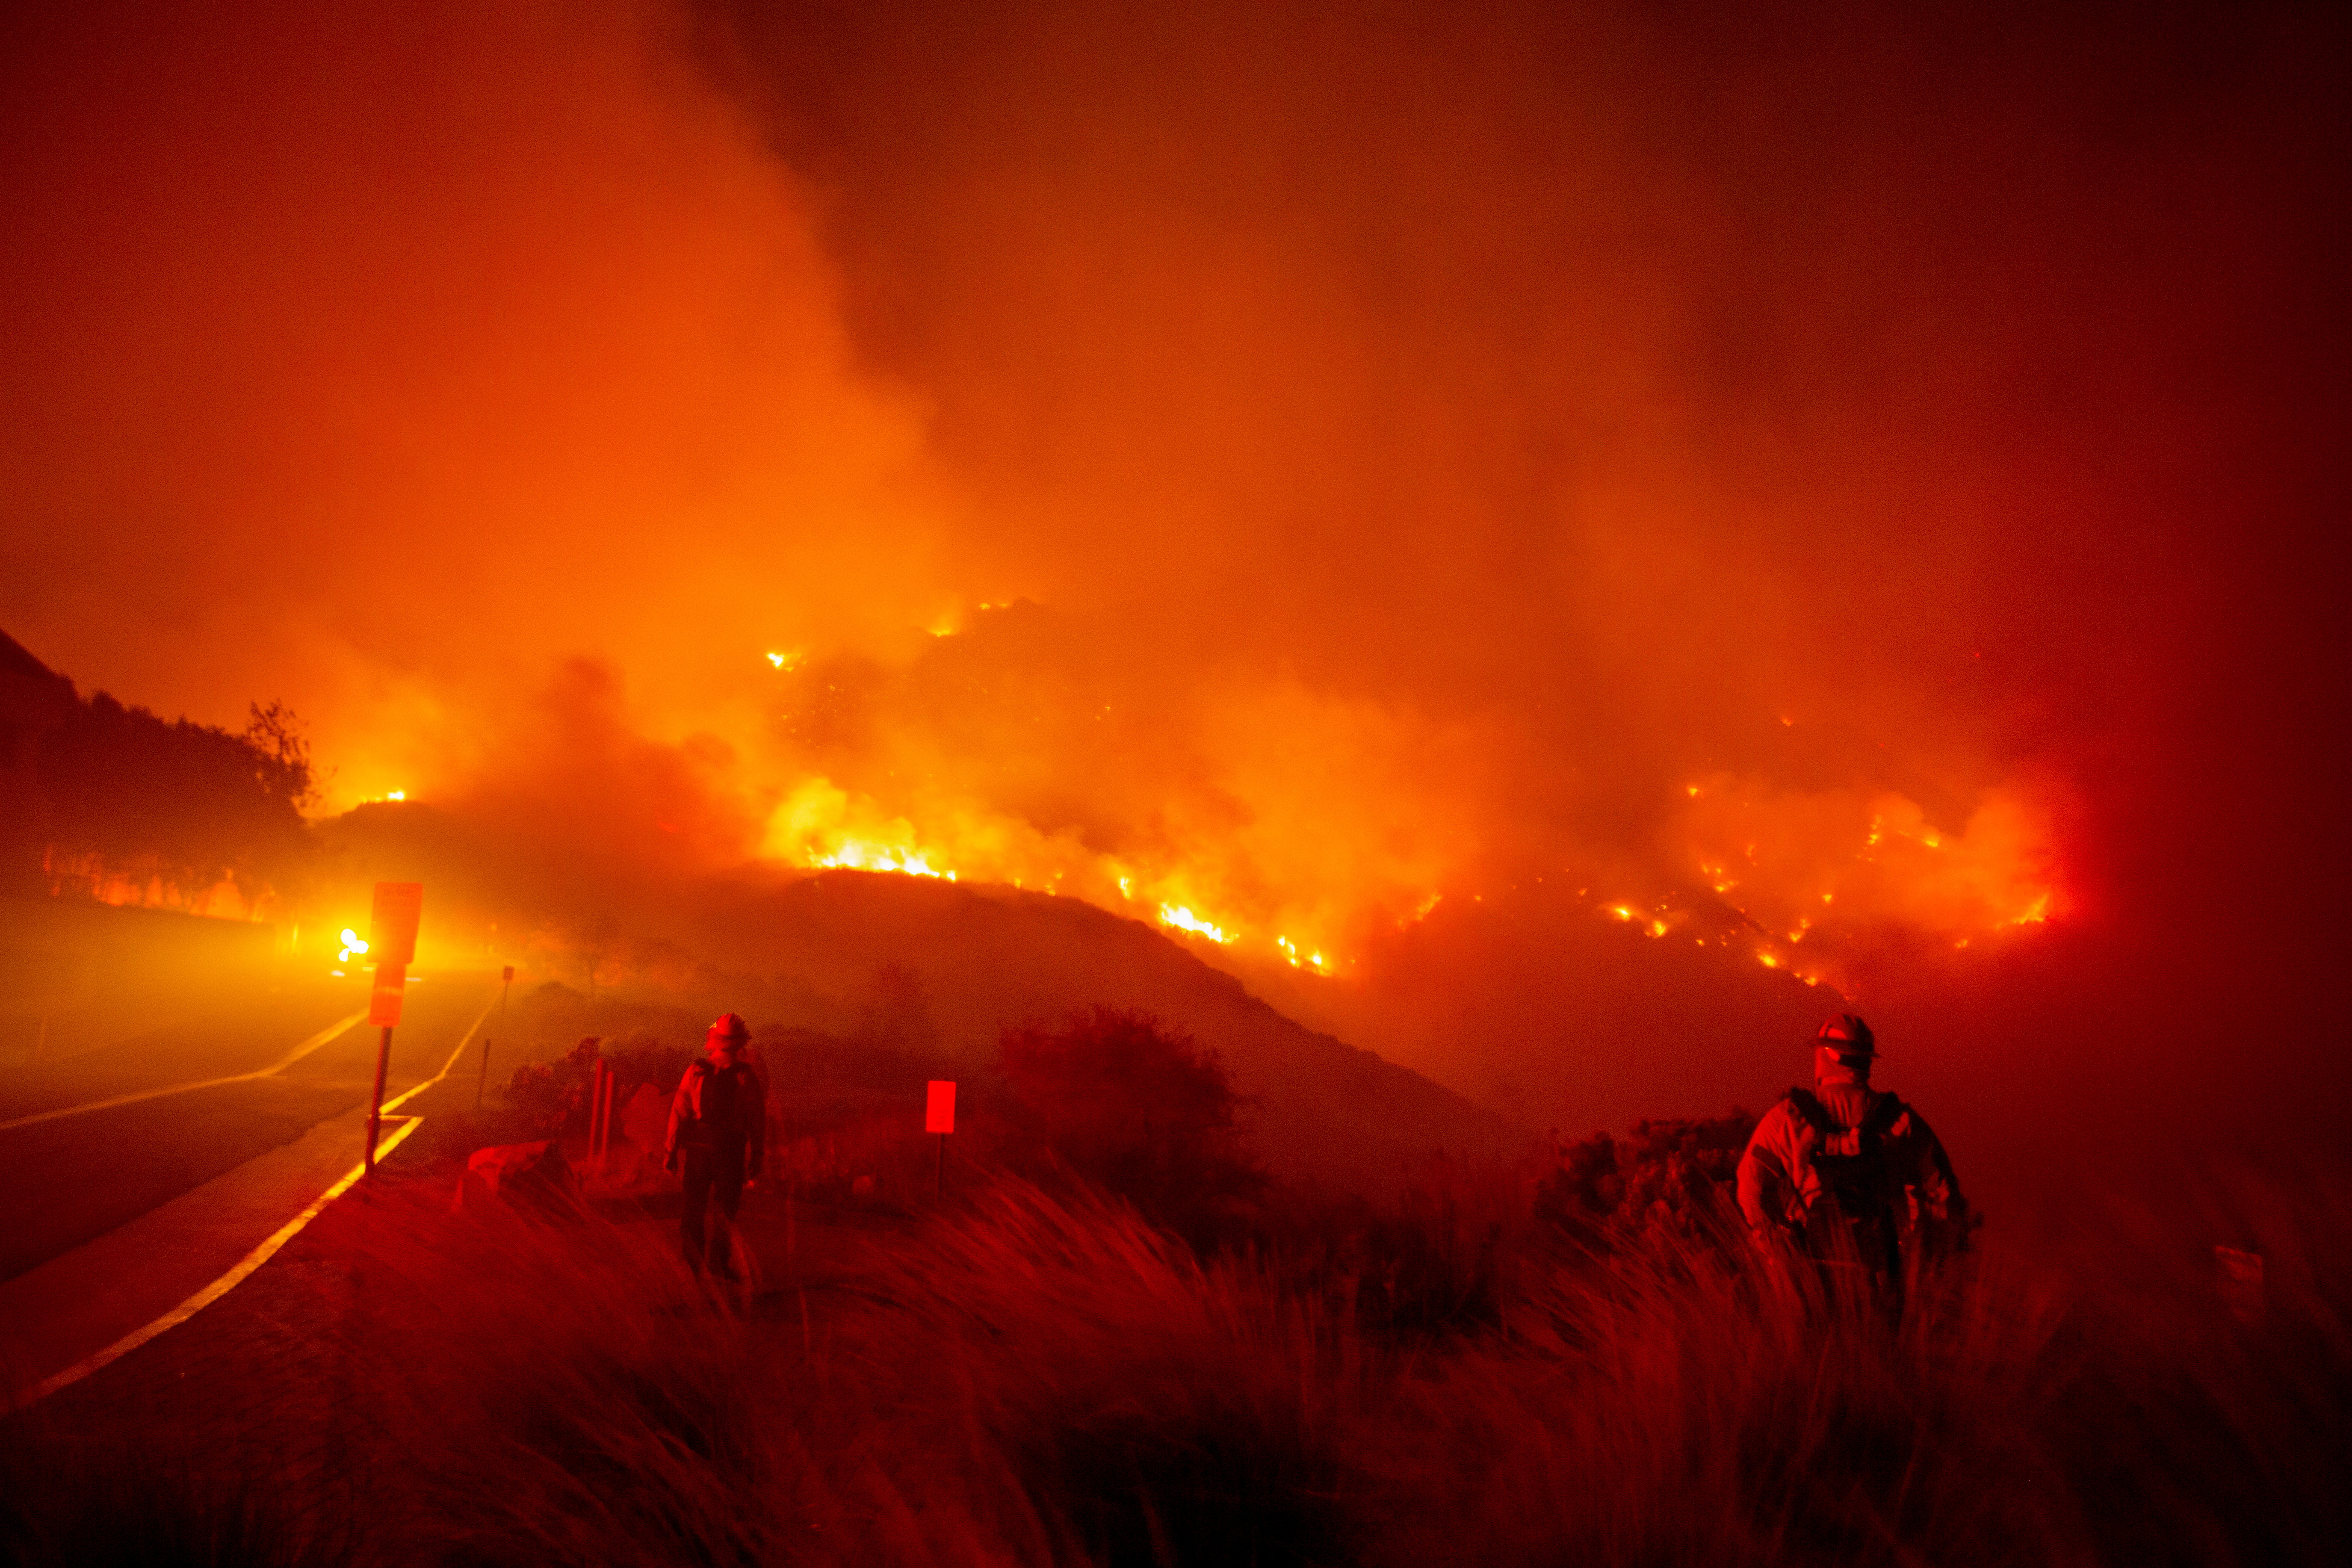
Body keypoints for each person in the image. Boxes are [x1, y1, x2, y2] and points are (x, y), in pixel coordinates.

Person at [1736, 1013, 1967, 1310]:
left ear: (1826, 1055)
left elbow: (1751, 1186)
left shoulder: (1786, 1119)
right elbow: (1943, 1192)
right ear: (1866, 1060)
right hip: (1884, 1275)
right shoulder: (1900, 1120)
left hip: (1811, 1275)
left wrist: (1776, 1248)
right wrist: (1926, 1261)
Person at [665, 1012, 767, 1278]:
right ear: (740, 1042)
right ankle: (719, 1265)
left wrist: (671, 1152)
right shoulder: (746, 1076)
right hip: (730, 1151)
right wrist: (757, 1155)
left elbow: (679, 1112)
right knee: (725, 1211)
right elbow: (757, 1119)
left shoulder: (697, 1071)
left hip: (699, 1149)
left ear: (716, 1040)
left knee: (694, 1208)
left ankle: (693, 1266)